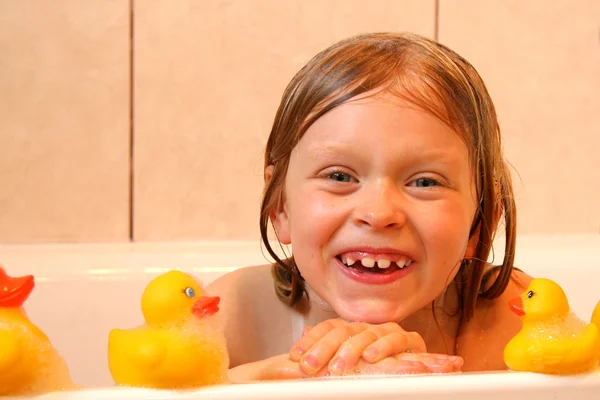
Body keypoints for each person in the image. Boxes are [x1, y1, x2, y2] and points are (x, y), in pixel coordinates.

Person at [207, 32, 532, 382]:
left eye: (425, 182)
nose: (378, 214)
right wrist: (269, 378)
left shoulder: (519, 321)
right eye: (339, 176)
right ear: (281, 206)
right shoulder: (231, 318)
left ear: (481, 221)